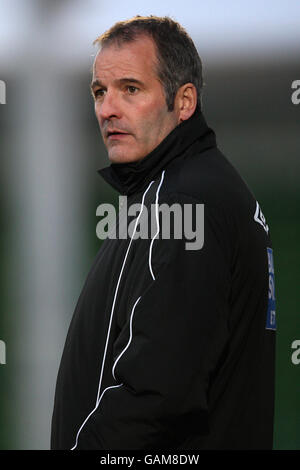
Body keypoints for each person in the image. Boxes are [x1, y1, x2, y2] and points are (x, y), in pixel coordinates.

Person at [51, 15, 276, 450]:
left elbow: (156, 393)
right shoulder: (185, 190)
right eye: (100, 92)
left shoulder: (187, 198)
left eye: (130, 89)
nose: (107, 108)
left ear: (184, 101)